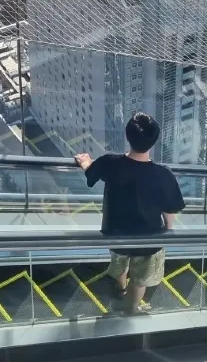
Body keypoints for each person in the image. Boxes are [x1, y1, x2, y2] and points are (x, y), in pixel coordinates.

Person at [75, 113, 185, 314]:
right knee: (141, 279)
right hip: (148, 239)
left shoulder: (110, 162)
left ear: (128, 136)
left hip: (117, 234)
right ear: (154, 141)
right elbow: (170, 210)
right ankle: (132, 310)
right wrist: (168, 230)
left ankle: (121, 288)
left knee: (120, 263)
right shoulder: (163, 174)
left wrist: (85, 162)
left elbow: (91, 172)